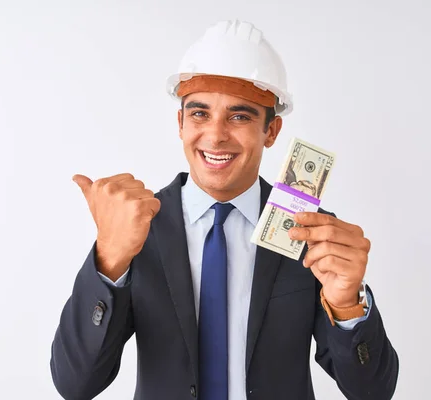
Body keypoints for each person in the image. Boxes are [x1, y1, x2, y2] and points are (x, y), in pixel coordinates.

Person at [50, 20, 399, 400]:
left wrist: (347, 306)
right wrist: (109, 260)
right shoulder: (135, 229)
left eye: (239, 116)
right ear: (181, 123)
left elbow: (373, 392)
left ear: (272, 130)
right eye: (200, 114)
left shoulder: (310, 233)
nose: (215, 135)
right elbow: (75, 384)